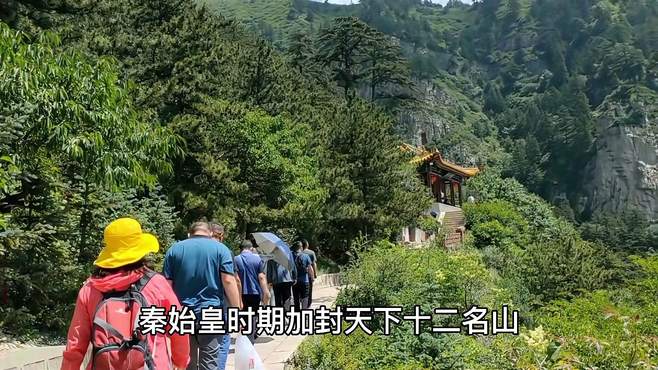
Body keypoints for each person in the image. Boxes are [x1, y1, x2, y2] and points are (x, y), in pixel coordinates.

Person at [61, 217, 189, 370]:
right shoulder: (156, 284)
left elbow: (75, 344)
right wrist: (180, 362)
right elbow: (178, 327)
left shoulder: (91, 289)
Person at [163, 221, 241, 370]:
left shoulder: (174, 250)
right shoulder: (221, 249)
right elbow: (228, 281)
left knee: (186, 360)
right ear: (210, 233)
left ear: (189, 234)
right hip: (211, 312)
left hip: (182, 313)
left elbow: (167, 285)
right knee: (210, 359)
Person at [233, 239, 270, 343]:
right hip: (255, 293)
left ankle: (245, 338)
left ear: (241, 249)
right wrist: (266, 292)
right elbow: (262, 277)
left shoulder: (236, 259)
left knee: (243, 316)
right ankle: (250, 339)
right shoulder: (257, 259)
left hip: (240, 293)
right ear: (251, 248)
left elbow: (234, 278)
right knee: (253, 316)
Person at [292, 241, 314, 310]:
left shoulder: (291, 256)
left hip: (294, 281)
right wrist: (312, 278)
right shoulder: (305, 256)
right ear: (301, 247)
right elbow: (310, 269)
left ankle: (297, 316)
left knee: (296, 299)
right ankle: (304, 313)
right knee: (305, 298)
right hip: (305, 281)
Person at [301, 239, 318, 305]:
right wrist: (315, 273)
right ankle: (308, 304)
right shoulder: (311, 253)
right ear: (307, 245)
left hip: (299, 275)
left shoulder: (298, 253)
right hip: (309, 275)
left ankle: (301, 302)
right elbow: (313, 264)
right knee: (309, 290)